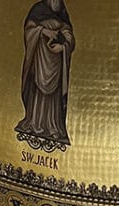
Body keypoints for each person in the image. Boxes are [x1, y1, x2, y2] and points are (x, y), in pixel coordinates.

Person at [16, 0, 75, 151]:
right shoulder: (38, 9)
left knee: (53, 97)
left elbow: (69, 37)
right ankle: (33, 122)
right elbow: (29, 29)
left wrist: (63, 47)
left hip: (55, 62)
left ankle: (54, 127)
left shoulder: (62, 14)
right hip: (40, 59)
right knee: (37, 90)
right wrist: (42, 31)